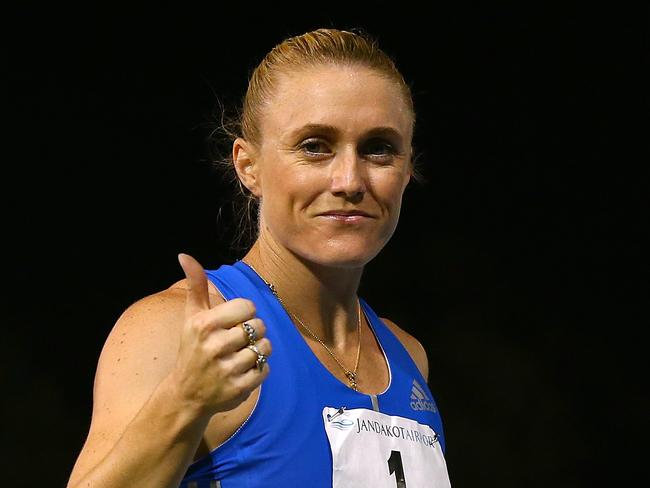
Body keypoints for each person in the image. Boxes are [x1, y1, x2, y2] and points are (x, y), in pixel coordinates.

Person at [66, 28, 451, 487]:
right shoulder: (176, 330)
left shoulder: (408, 357)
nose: (350, 180)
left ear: (407, 170)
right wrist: (184, 400)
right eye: (315, 147)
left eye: (378, 149)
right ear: (248, 167)